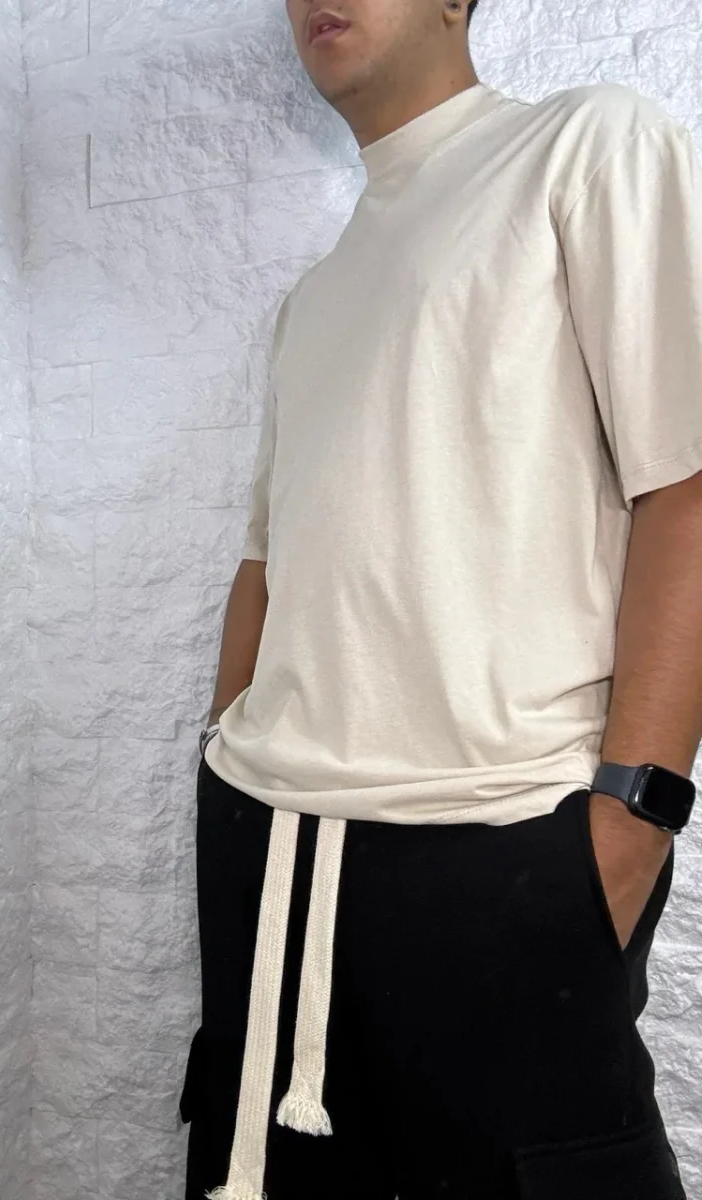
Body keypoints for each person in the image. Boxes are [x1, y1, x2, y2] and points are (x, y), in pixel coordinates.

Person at [179, 1, 702, 1196]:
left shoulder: (585, 145)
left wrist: (634, 816)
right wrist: (224, 760)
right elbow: (268, 560)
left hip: (507, 845)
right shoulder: (316, 295)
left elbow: (685, 485)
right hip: (271, 845)